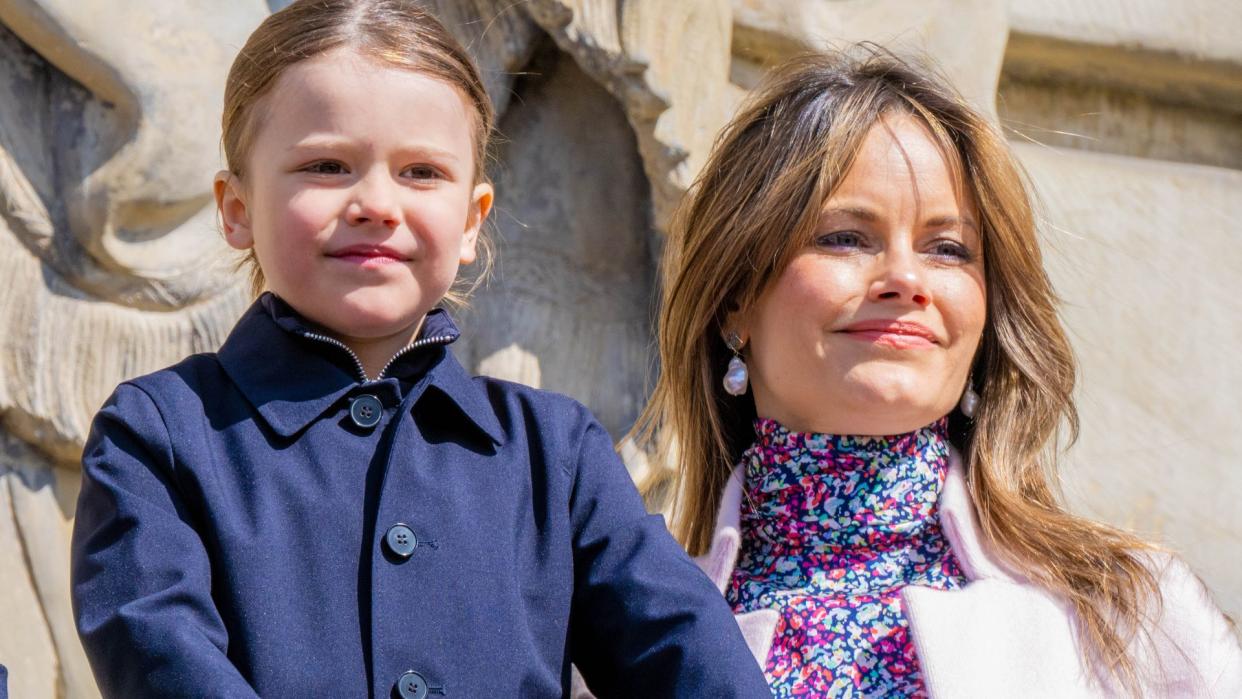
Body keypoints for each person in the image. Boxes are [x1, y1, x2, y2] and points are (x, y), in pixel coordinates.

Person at [69, 2, 771, 697]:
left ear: (472, 220)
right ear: (236, 208)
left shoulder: (555, 452)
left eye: (421, 173)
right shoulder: (156, 437)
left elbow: (688, 653)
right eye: (326, 165)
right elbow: (166, 663)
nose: (376, 202)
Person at [632, 49, 1242, 697]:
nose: (905, 279)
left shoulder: (1135, 617)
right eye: (845, 236)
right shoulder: (622, 639)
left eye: (947, 248)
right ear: (736, 301)